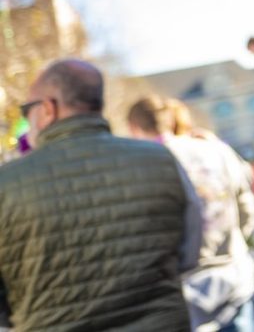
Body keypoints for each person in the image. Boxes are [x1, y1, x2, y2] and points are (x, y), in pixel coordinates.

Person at [0, 60, 200, 331]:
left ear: (48, 108)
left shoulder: (6, 184)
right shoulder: (161, 159)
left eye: (27, 111)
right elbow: (189, 252)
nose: (26, 120)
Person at [128, 97, 254, 332]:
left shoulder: (141, 166)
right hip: (232, 274)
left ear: (134, 128)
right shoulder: (215, 149)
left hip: (182, 287)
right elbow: (247, 210)